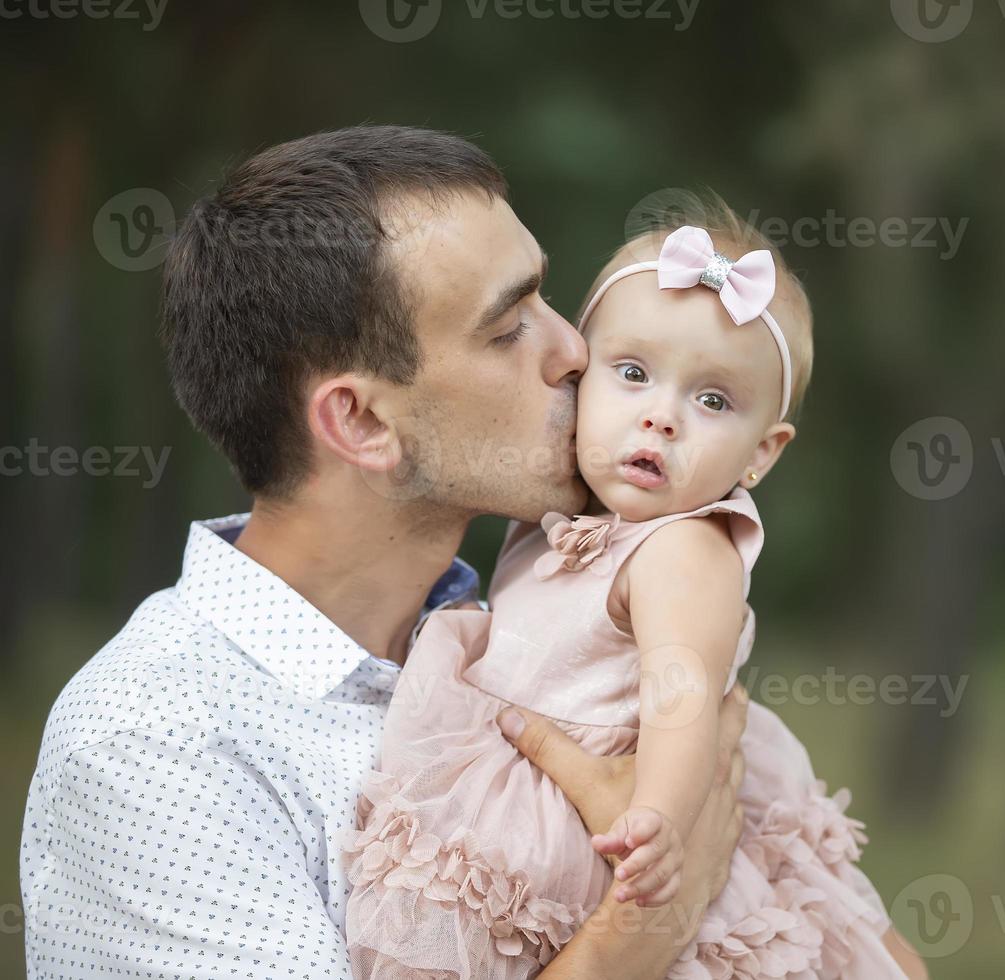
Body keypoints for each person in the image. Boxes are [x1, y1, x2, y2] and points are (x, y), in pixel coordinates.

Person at [19, 125, 749, 980]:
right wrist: (645, 927)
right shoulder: (156, 746)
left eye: (548, 301)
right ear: (361, 422)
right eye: (510, 327)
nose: (576, 352)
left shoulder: (556, 637)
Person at [343, 202, 927, 979]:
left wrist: (658, 820)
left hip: (619, 816)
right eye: (633, 374)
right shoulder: (560, 521)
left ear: (761, 455)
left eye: (712, 400)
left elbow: (680, 694)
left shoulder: (685, 547)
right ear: (582, 380)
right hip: (535, 799)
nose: (661, 417)